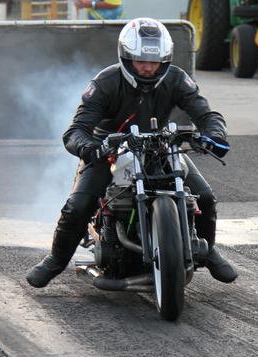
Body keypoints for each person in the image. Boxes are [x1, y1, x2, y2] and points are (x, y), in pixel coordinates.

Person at [26, 18, 238, 288]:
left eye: (155, 61)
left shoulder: (176, 78)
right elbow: (75, 130)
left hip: (160, 146)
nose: (148, 67)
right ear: (126, 57)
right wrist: (91, 148)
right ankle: (55, 260)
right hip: (109, 150)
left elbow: (206, 114)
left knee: (205, 197)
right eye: (141, 61)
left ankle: (207, 251)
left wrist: (213, 135)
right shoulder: (105, 82)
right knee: (79, 205)